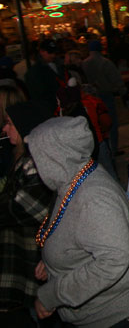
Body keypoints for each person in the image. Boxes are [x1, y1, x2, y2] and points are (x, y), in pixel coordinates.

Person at [26, 116, 129, 327]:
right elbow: (78, 232)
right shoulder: (72, 181)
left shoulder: (94, 197)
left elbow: (114, 260)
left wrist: (53, 294)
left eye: (37, 155)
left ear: (55, 157)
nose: (33, 162)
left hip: (121, 313)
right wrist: (55, 263)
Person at [0, 96, 51, 327]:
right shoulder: (20, 157)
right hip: (25, 252)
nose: (5, 128)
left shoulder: (36, 162)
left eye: (10, 123)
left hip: (37, 253)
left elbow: (19, 208)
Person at [82, 39, 127, 160]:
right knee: (110, 122)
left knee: (96, 124)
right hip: (106, 95)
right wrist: (123, 91)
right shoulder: (105, 63)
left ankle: (102, 150)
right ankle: (113, 149)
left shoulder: (84, 64)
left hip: (90, 98)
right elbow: (116, 79)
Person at [24, 39, 68, 114]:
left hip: (63, 107)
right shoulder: (35, 72)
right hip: (50, 110)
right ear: (41, 52)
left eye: (55, 52)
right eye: (50, 52)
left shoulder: (60, 65)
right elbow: (38, 96)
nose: (53, 55)